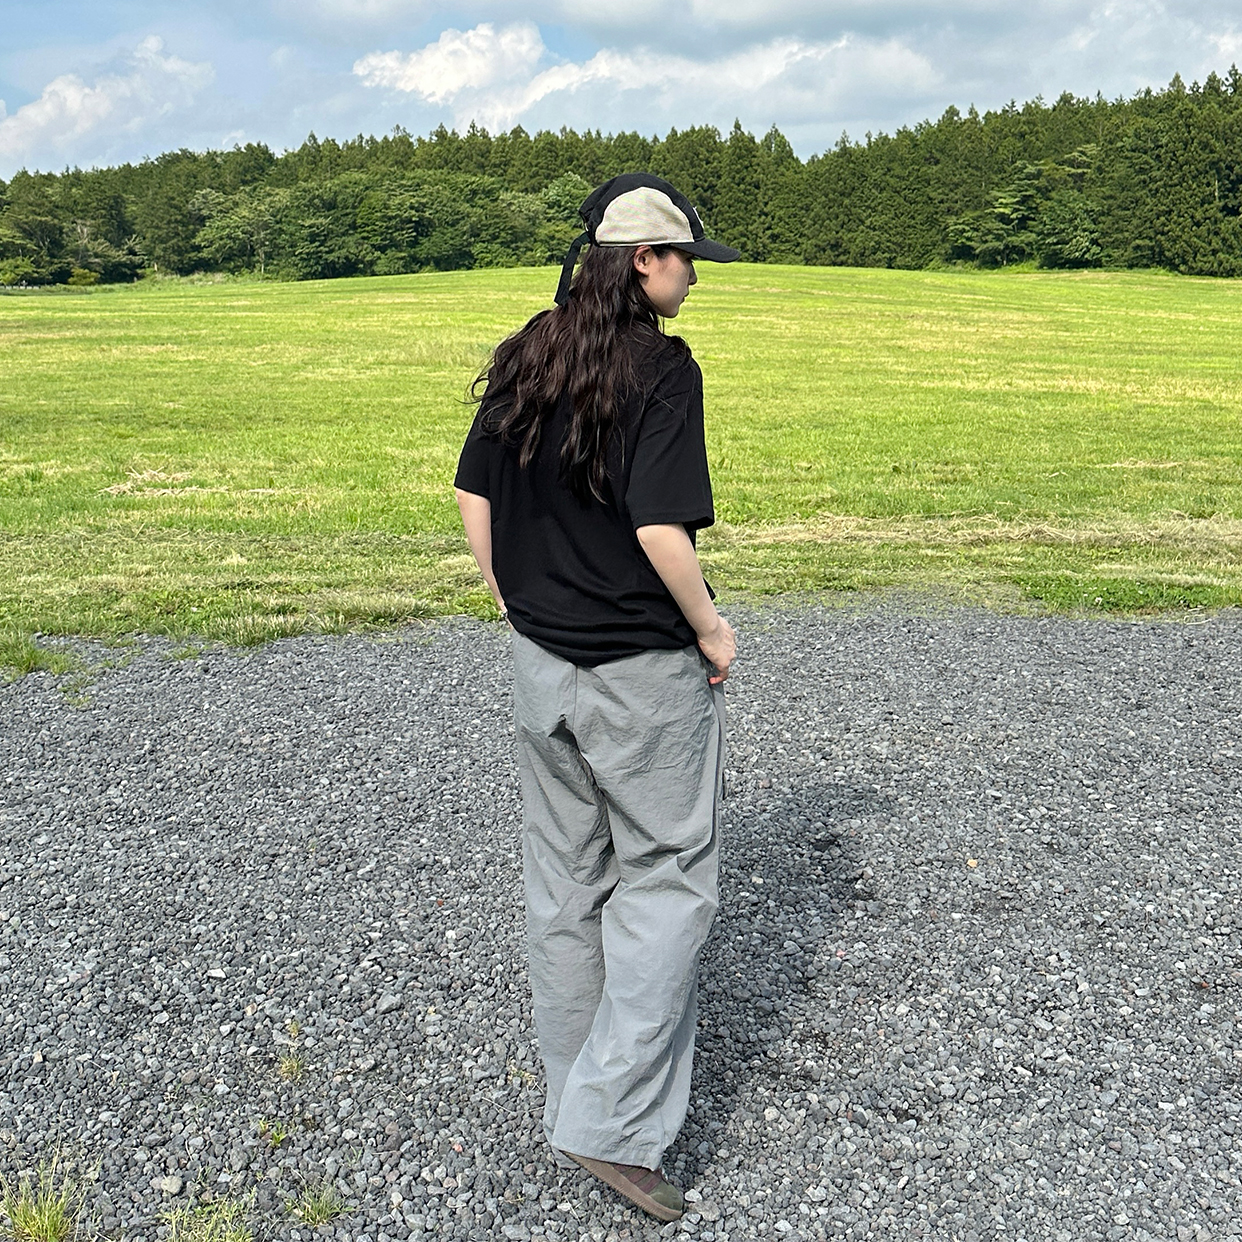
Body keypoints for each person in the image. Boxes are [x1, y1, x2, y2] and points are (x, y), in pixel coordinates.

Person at [453, 173, 738, 1223]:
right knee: (667, 880)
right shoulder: (664, 368)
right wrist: (711, 628)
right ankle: (611, 1128)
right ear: (642, 262)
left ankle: (578, 1094)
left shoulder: (533, 347)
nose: (694, 275)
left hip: (542, 668)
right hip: (638, 673)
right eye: (684, 257)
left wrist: (507, 593)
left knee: (564, 884)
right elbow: (661, 527)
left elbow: (472, 489)